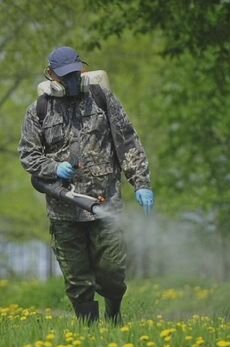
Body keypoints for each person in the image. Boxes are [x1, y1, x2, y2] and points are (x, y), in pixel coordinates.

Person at [18, 46, 154, 325]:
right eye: (65, 76)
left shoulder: (101, 98)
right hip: (64, 209)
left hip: (107, 202)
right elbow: (28, 155)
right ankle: (88, 333)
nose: (71, 80)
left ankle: (114, 318)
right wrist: (54, 168)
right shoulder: (39, 110)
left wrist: (140, 182)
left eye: (75, 74)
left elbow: (127, 140)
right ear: (52, 74)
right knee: (77, 280)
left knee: (112, 272)